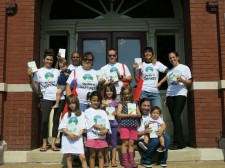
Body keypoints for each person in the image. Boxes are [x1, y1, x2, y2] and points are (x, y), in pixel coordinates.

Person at [28, 48, 65, 152]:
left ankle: (53, 144)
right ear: (44, 59)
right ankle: (44, 143)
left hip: (59, 98)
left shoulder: (57, 71)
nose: (49, 61)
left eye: (51, 60)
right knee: (44, 121)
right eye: (47, 59)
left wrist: (60, 59)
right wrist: (31, 77)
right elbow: (36, 89)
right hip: (46, 98)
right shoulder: (38, 71)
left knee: (56, 120)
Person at [164, 51, 192, 150]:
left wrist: (183, 80)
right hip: (170, 95)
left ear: (178, 57)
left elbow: (190, 81)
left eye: (173, 57)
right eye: (170, 58)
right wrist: (166, 98)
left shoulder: (184, 68)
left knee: (176, 116)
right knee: (174, 118)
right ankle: (181, 142)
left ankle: (178, 142)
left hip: (181, 94)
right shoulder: (170, 71)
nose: (172, 59)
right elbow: (169, 86)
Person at [137, 98, 170, 168]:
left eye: (148, 106)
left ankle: (162, 160)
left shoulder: (153, 113)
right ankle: (146, 160)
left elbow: (163, 124)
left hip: (155, 136)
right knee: (155, 140)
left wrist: (161, 129)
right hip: (143, 140)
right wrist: (145, 131)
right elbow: (134, 134)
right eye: (144, 105)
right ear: (140, 106)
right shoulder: (137, 116)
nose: (146, 108)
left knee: (167, 137)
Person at [58, 94, 87, 168]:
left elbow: (83, 127)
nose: (72, 105)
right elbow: (63, 127)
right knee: (69, 157)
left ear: (77, 103)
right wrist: (69, 134)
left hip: (78, 138)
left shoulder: (82, 114)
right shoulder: (66, 115)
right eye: (70, 103)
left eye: (73, 103)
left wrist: (78, 135)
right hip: (67, 138)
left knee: (82, 157)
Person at [117, 85, 141, 168]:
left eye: (128, 94)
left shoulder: (134, 102)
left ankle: (131, 160)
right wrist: (127, 115)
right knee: (125, 143)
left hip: (133, 125)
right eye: (125, 94)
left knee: (131, 143)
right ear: (122, 95)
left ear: (131, 93)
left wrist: (135, 115)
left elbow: (139, 114)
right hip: (124, 125)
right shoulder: (121, 103)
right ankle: (125, 161)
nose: (127, 95)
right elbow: (118, 114)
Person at [84, 91, 111, 168]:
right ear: (90, 100)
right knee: (92, 155)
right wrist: (101, 128)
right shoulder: (87, 111)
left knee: (100, 155)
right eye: (94, 100)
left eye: (97, 100)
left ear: (100, 101)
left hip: (101, 137)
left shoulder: (103, 112)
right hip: (92, 136)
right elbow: (91, 123)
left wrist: (106, 130)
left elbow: (107, 122)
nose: (96, 102)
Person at [102, 83, 119, 167]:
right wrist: (103, 112)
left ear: (114, 92)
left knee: (114, 143)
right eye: (107, 91)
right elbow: (99, 112)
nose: (109, 92)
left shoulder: (116, 102)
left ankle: (113, 160)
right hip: (105, 125)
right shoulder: (102, 101)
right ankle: (106, 160)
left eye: (111, 91)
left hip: (114, 124)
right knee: (105, 143)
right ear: (105, 92)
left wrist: (116, 113)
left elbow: (119, 113)